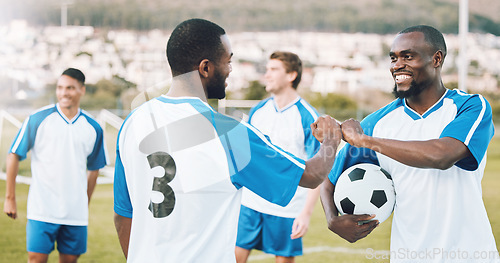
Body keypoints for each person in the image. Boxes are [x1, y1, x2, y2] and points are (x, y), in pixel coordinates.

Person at [113, 18, 342, 263]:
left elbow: (123, 216)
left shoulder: (131, 124)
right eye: (228, 60)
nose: (231, 69)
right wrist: (331, 139)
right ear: (205, 68)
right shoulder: (229, 134)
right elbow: (311, 174)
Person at [320, 25, 498, 262]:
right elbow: (328, 179)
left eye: (408, 56)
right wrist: (332, 218)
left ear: (436, 59)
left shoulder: (470, 107)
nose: (397, 65)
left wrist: (364, 141)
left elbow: (442, 155)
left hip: (472, 255)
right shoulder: (378, 122)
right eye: (393, 58)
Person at [3, 68, 108, 263]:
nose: (63, 93)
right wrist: (10, 198)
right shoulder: (38, 119)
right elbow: (13, 155)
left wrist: (83, 202)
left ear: (82, 90)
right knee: (36, 260)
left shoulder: (93, 128)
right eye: (60, 88)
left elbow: (94, 169)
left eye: (70, 88)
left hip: (75, 214)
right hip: (42, 210)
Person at [235, 51, 321, 263]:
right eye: (267, 70)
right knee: (233, 257)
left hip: (287, 207)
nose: (267, 75)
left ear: (291, 75)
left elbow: (319, 171)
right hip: (250, 203)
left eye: (273, 70)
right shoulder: (258, 111)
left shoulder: (308, 117)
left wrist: (305, 214)